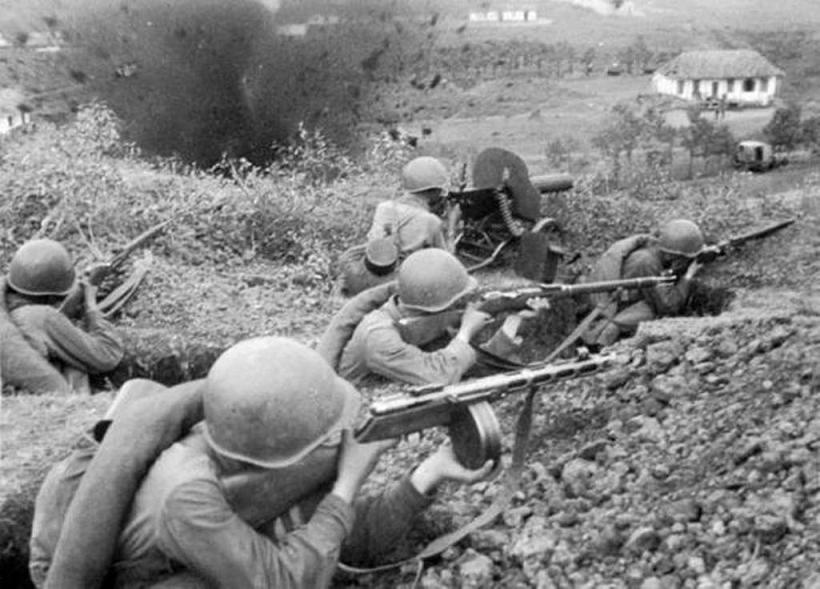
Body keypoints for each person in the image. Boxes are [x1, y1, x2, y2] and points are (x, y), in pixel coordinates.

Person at [29, 336, 493, 588]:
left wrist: (428, 473)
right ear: (287, 453)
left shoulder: (241, 433)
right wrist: (346, 483)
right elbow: (281, 581)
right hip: (74, 567)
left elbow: (344, 540)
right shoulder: (186, 493)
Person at [335, 248, 491, 386]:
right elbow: (438, 375)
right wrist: (466, 331)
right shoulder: (378, 336)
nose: (459, 305)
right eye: (455, 302)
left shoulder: (401, 310)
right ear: (432, 307)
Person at [3, 238, 124, 392]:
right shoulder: (44, 317)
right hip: (42, 401)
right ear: (52, 297)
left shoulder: (6, 308)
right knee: (74, 366)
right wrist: (90, 302)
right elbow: (107, 355)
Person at [335, 156, 455, 298]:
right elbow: (447, 264)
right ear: (434, 191)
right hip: (397, 285)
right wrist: (452, 227)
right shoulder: (430, 221)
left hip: (364, 274)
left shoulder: (384, 207)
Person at [581, 219, 705, 348]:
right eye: (686, 259)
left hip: (620, 301)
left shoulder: (653, 251)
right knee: (649, 311)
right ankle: (606, 335)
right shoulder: (646, 262)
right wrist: (688, 276)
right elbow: (669, 306)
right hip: (615, 308)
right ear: (672, 257)